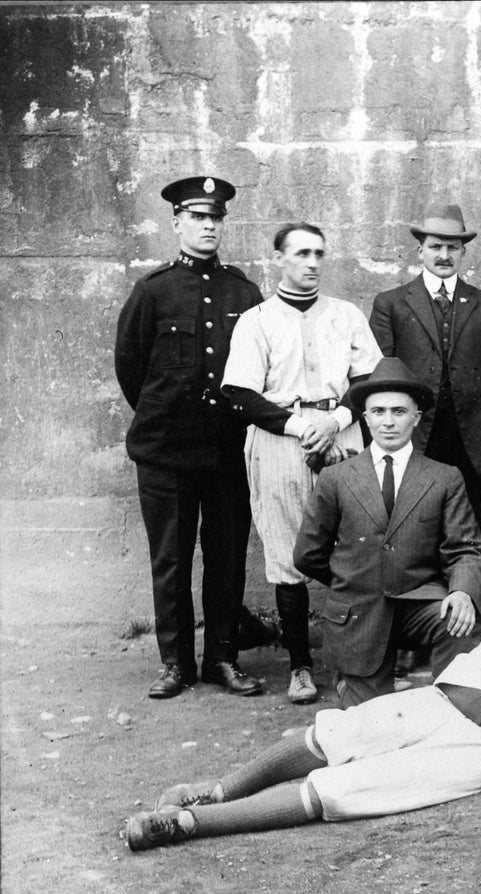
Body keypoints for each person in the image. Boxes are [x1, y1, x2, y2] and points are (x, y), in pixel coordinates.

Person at [123, 554, 481, 852]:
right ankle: (220, 790)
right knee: (341, 732)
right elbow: (460, 686)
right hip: (446, 708)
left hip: (480, 756)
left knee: (350, 788)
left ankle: (189, 824)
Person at [114, 175, 264, 699]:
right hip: (166, 450)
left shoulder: (243, 291)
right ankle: (175, 664)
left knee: (226, 555)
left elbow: (258, 365)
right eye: (198, 218)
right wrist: (168, 416)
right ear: (176, 223)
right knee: (172, 559)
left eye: (215, 218)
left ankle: (222, 658)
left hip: (228, 450)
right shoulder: (153, 291)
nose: (207, 227)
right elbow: (131, 368)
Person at [222, 222, 382, 703]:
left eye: (319, 254)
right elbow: (241, 393)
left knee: (358, 543)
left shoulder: (346, 314)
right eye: (302, 254)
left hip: (341, 432)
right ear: (279, 259)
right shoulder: (257, 320)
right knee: (287, 552)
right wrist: (299, 426)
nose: (312, 263)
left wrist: (334, 421)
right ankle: (300, 666)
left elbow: (370, 380)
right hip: (280, 439)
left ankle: (360, 659)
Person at [292, 358, 481, 707]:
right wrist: (351, 579)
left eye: (399, 411)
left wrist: (463, 592)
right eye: (378, 412)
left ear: (416, 417)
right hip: (357, 611)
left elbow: (465, 549)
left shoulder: (443, 477)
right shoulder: (338, 477)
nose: (389, 422)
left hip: (418, 604)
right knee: (372, 725)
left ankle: (453, 708)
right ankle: (353, 689)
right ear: (365, 418)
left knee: (458, 622)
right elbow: (308, 554)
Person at [368, 201, 481, 529]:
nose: (444, 255)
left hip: (472, 441)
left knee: (469, 527)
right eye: (435, 246)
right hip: (415, 436)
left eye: (453, 247)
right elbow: (378, 378)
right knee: (413, 526)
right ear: (419, 250)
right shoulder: (391, 304)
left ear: (463, 252)